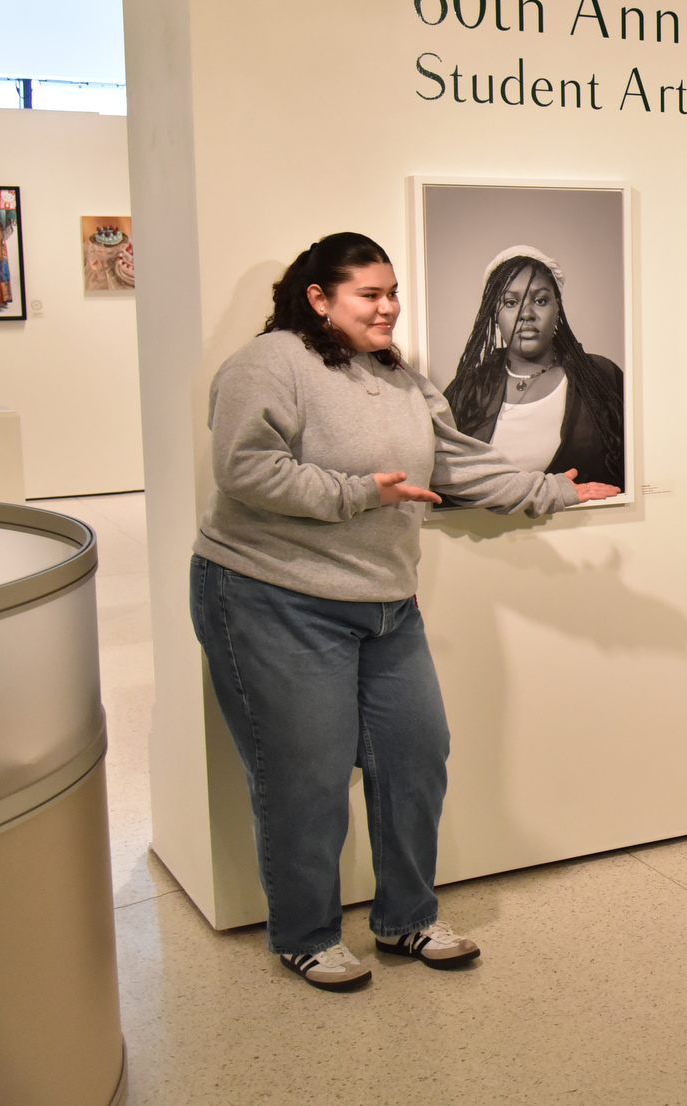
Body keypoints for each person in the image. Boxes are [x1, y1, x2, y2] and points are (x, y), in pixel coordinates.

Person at [190, 233, 619, 991]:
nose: (389, 307)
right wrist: (362, 494)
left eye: (392, 292)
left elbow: (453, 459)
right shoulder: (269, 364)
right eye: (370, 295)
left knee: (416, 756)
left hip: (384, 603)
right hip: (274, 597)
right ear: (318, 299)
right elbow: (246, 468)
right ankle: (306, 934)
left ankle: (406, 920)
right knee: (308, 776)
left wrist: (552, 491)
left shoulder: (396, 375)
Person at [443, 246, 625, 491]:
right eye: (510, 302)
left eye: (540, 300)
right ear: (495, 314)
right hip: (491, 530)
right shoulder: (467, 393)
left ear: (557, 307)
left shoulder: (601, 377)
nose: (526, 314)